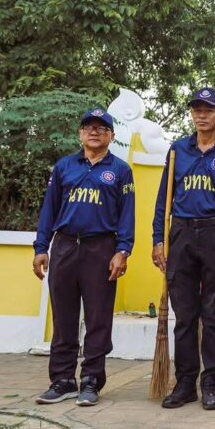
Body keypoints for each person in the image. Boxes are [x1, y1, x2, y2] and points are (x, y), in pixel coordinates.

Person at [152, 88, 215, 411]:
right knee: (185, 315)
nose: (201, 115)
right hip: (182, 232)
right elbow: (163, 199)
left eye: (208, 110)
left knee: (214, 313)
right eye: (197, 109)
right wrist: (158, 239)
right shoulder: (177, 150)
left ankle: (210, 383)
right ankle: (185, 383)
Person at [32, 108, 135, 407]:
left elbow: (127, 214)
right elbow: (49, 209)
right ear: (80, 134)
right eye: (88, 127)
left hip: (101, 248)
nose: (94, 132)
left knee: (98, 318)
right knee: (63, 317)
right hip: (64, 246)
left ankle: (91, 379)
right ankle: (62, 380)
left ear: (111, 136)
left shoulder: (120, 170)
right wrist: (41, 247)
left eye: (101, 128)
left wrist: (122, 250)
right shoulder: (64, 167)